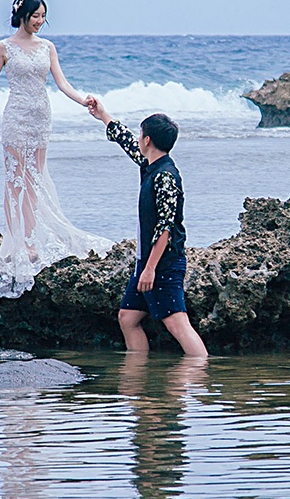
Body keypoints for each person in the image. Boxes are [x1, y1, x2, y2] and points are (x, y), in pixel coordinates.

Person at [0, 0, 109, 297]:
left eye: (43, 16)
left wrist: (84, 101)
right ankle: (18, 241)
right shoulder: (5, 47)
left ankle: (30, 239)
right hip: (15, 118)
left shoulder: (47, 47)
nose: (39, 22)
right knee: (15, 180)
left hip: (41, 118)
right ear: (21, 16)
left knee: (34, 180)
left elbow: (62, 82)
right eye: (35, 16)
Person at [85, 96, 208, 358]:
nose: (138, 139)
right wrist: (103, 115)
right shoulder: (151, 166)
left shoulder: (166, 176)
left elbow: (165, 228)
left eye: (141, 135)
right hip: (146, 262)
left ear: (148, 140)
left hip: (164, 263)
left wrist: (150, 269)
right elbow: (127, 143)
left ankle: (199, 373)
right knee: (128, 318)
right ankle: (139, 374)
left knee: (177, 324)